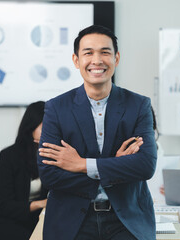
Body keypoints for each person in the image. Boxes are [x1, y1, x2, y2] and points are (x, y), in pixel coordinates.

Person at [37, 25, 157, 240]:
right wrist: (116, 168)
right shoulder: (56, 108)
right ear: (76, 60)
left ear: (116, 58)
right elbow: (49, 174)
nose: (97, 60)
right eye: (88, 53)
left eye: (105, 52)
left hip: (126, 220)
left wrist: (81, 165)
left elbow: (145, 166)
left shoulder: (138, 105)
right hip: (72, 221)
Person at [0, 101, 48, 240]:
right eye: (44, 126)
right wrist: (40, 204)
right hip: (2, 222)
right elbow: (4, 205)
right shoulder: (9, 156)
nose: (50, 131)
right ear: (31, 127)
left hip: (32, 221)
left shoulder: (53, 154)